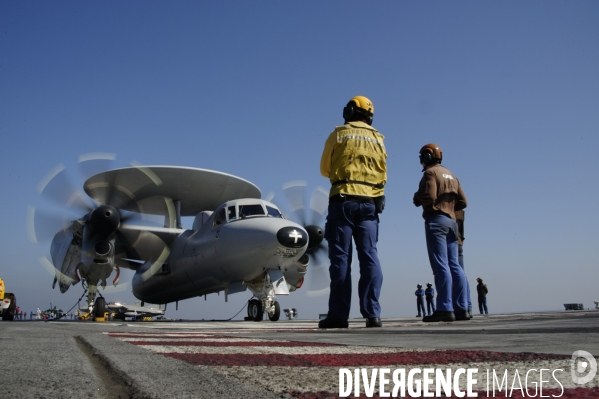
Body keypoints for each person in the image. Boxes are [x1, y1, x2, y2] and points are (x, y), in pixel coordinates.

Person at [319, 95, 387, 329]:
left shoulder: (339, 133)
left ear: (350, 110)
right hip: (371, 202)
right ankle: (373, 315)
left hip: (343, 200)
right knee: (370, 256)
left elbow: (324, 169)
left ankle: (339, 316)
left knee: (341, 259)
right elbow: (383, 172)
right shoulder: (379, 139)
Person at [413, 143, 469, 322]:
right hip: (453, 222)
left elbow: (429, 195)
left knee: (440, 264)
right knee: (455, 265)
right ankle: (462, 308)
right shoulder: (452, 175)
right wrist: (450, 207)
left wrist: (416, 197)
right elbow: (463, 202)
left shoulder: (430, 173)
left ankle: (445, 308)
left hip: (436, 220)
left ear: (427, 157)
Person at [455, 210, 473, 318]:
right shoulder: (460, 211)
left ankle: (459, 307)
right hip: (459, 242)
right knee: (461, 274)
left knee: (455, 273)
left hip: (453, 242)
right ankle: (467, 307)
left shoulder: (448, 211)